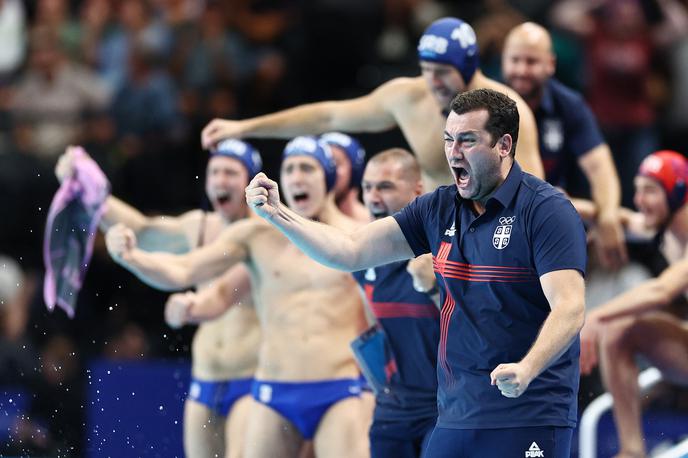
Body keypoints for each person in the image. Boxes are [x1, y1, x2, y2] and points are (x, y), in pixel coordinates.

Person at [245, 88, 587, 457]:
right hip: (456, 417)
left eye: (468, 141)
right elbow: (350, 250)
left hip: (529, 414)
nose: (454, 153)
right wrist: (278, 214)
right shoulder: (437, 209)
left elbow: (569, 307)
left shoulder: (546, 211)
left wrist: (527, 368)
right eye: (448, 140)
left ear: (504, 145)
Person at [105, 136, 371, 458]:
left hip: (337, 389)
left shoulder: (358, 235)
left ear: (327, 178)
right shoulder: (256, 236)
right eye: (289, 169)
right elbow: (185, 269)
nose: (297, 177)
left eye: (307, 168)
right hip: (272, 391)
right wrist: (133, 259)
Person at [55, 141, 262, 458]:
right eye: (215, 172)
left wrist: (190, 305)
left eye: (231, 172)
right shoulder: (200, 226)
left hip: (251, 379)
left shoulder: (266, 234)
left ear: (250, 180)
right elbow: (145, 229)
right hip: (206, 378)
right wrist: (91, 190)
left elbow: (217, 294)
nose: (221, 180)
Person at [201, 17, 545, 191]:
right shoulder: (408, 97)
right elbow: (327, 116)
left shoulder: (507, 111)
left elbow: (530, 195)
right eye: (426, 71)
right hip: (435, 235)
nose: (432, 82)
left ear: (468, 69)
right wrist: (244, 127)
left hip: (486, 242)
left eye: (442, 73)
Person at [580, 150, 688, 458]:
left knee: (612, 320)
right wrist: (553, 201)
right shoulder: (665, 229)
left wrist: (596, 315)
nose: (639, 199)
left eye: (649, 191)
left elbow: (662, 290)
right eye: (637, 189)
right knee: (620, 330)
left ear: (678, 192)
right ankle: (632, 450)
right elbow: (616, 218)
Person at [501, 21, 627, 270]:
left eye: (531, 61)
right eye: (515, 60)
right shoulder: (484, 104)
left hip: (550, 219)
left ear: (550, 64)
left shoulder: (569, 106)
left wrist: (609, 213)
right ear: (503, 61)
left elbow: (599, 165)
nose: (522, 70)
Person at [353, 148, 440, 457]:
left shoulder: (445, 247)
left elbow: (477, 324)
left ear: (417, 189)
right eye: (367, 187)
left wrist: (432, 288)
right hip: (394, 407)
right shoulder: (361, 255)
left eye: (385, 186)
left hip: (449, 406)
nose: (373, 196)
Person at [320, 132, 370, 222]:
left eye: (335, 163)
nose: (328, 172)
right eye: (324, 164)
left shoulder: (372, 222)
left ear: (355, 171)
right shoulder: (303, 218)